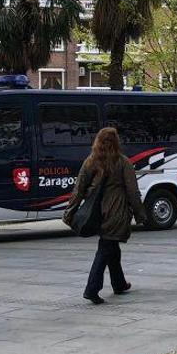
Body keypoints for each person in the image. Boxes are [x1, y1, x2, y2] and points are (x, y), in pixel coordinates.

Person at [69, 128, 147, 305]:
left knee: (111, 246)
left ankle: (119, 283)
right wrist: (140, 214)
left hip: (97, 212)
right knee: (106, 247)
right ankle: (92, 289)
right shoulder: (122, 162)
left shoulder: (91, 161)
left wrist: (71, 210)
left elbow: (79, 188)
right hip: (116, 211)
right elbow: (133, 191)